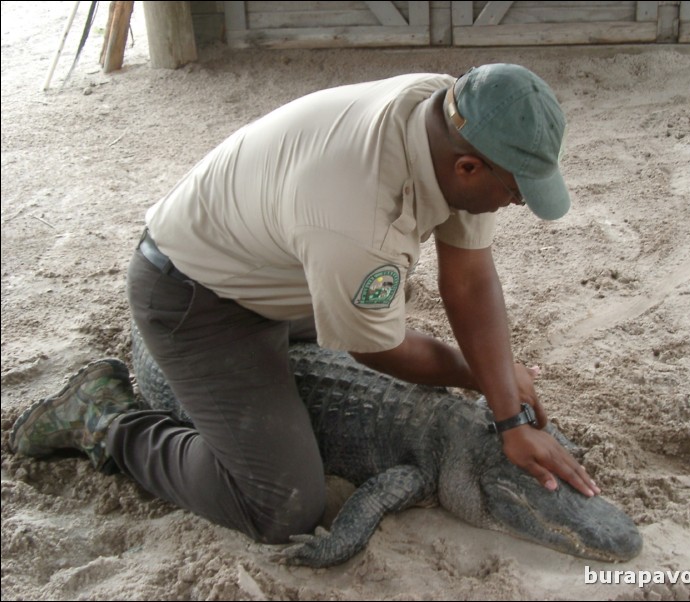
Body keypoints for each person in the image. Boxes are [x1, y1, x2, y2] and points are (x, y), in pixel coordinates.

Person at [11, 63, 600, 544]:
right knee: (281, 507)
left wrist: (505, 408)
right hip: (195, 298)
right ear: (467, 168)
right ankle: (104, 417)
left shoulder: (445, 110)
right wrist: (487, 383)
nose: (519, 204)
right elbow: (377, 349)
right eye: (516, 190)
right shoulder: (358, 219)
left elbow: (469, 278)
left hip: (276, 266)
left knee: (381, 311)